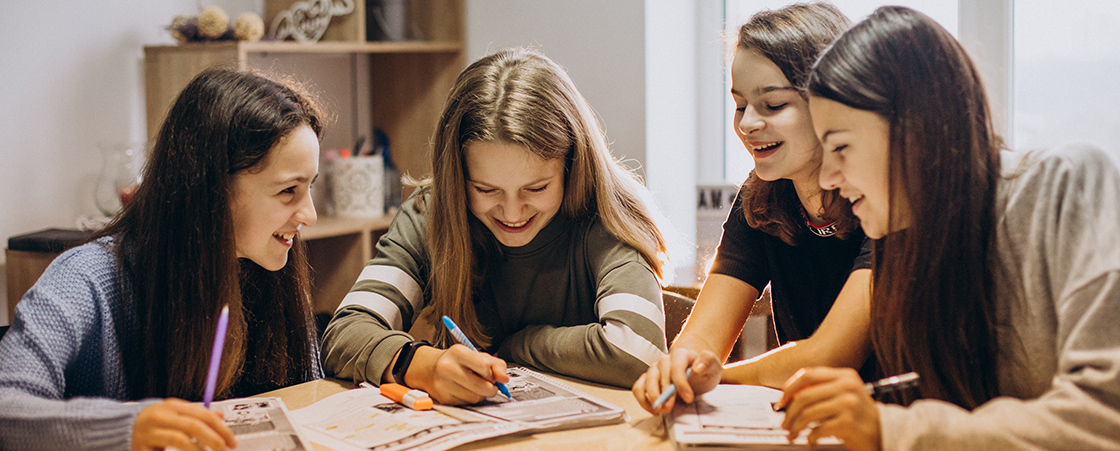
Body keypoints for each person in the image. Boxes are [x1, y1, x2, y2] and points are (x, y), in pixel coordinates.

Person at [774, 6, 1120, 450]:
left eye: (840, 146)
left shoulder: (1066, 184)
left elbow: (1107, 414)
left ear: (916, 128)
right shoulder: (913, 241)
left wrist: (892, 429)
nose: (828, 178)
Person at [0, 68, 326, 450]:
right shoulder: (86, 277)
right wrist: (127, 428)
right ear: (211, 189)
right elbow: (7, 407)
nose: (309, 214)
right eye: (288, 191)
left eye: (310, 187)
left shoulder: (272, 271)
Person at [321, 48, 670, 404]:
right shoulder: (432, 214)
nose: (513, 212)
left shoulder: (605, 214)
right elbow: (345, 333)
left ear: (572, 164)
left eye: (536, 189)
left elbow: (638, 350)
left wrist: (520, 343)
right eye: (485, 190)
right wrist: (424, 364)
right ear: (457, 177)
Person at [633, 2, 874, 414]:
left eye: (773, 105)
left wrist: (717, 376)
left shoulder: (883, 199)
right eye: (740, 105)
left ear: (832, 102)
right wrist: (683, 364)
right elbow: (702, 338)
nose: (746, 125)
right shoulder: (762, 193)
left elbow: (829, 357)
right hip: (810, 422)